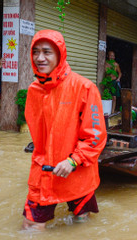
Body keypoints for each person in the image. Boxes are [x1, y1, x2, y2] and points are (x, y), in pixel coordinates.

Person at [22, 30, 107, 230]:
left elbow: (96, 136)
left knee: (81, 222)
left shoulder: (84, 87)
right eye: (35, 52)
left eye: (46, 52)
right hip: (43, 170)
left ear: (60, 54)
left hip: (76, 171)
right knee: (30, 226)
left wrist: (73, 161)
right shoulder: (34, 89)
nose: (39, 58)